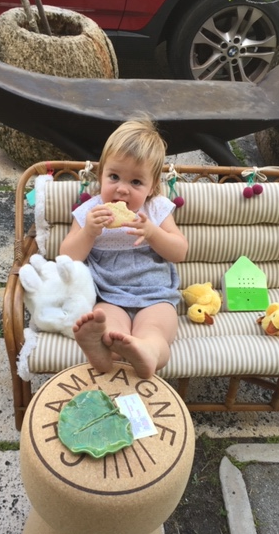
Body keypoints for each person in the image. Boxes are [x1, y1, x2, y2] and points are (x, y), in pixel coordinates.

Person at [60, 118, 188, 378]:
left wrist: (153, 233)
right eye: (114, 177)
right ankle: (102, 353)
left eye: (136, 182)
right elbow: (66, 257)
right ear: (101, 174)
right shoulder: (89, 212)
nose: (122, 189)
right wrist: (89, 233)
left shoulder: (156, 209)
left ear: (152, 187)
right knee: (107, 325)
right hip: (109, 294)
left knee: (155, 329)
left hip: (155, 294)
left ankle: (148, 352)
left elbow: (180, 251)